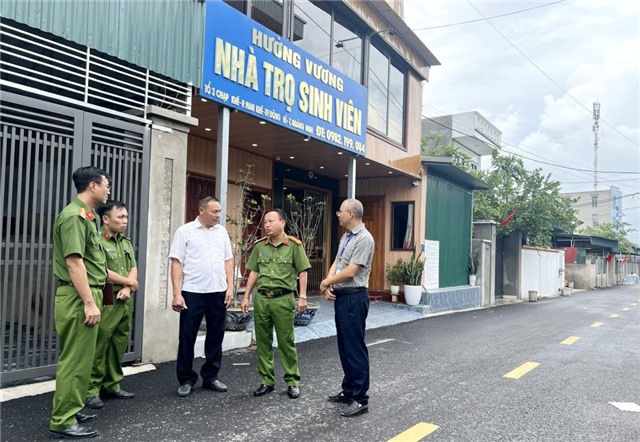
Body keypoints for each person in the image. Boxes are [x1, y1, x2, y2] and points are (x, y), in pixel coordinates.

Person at [49, 166, 111, 439]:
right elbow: (74, 263)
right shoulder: (74, 217)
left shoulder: (87, 217)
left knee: (83, 360)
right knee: (74, 361)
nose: (109, 190)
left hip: (86, 293)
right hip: (77, 297)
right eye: (106, 184)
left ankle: (72, 408)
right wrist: (89, 302)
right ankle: (62, 420)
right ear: (93, 186)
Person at [240, 209, 311, 399]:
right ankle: (266, 381)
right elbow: (253, 272)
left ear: (282, 223)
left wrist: (302, 296)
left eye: (271, 221)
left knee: (286, 342)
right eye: (265, 222)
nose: (267, 225)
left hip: (283, 299)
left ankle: (292, 381)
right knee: (263, 342)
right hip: (262, 299)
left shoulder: (294, 246)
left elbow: (303, 271)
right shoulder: (260, 246)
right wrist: (246, 296)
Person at [169, 196, 234, 397]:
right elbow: (176, 262)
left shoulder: (221, 232)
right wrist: (177, 293)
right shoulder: (185, 231)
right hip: (193, 292)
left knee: (216, 335)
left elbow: (228, 260)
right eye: (214, 211)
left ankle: (211, 376)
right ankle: (186, 379)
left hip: (218, 291)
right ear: (201, 210)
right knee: (187, 336)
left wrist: (230, 287)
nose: (218, 215)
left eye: (219, 211)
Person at [319, 198, 374, 417]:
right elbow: (338, 261)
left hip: (354, 297)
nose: (338, 214)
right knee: (344, 345)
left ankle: (360, 398)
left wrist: (326, 282)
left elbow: (351, 272)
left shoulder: (364, 239)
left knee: (354, 347)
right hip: (343, 297)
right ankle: (349, 390)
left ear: (351, 214)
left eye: (340, 211)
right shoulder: (346, 236)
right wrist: (328, 282)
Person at [85, 201, 138, 409]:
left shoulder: (125, 242)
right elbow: (101, 271)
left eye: (126, 217)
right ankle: (91, 390)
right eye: (120, 217)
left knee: (119, 343)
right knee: (100, 344)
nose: (125, 221)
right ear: (105, 219)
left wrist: (128, 287)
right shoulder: (97, 241)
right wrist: (128, 283)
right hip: (107, 299)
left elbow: (133, 267)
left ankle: (112, 384)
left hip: (124, 298)